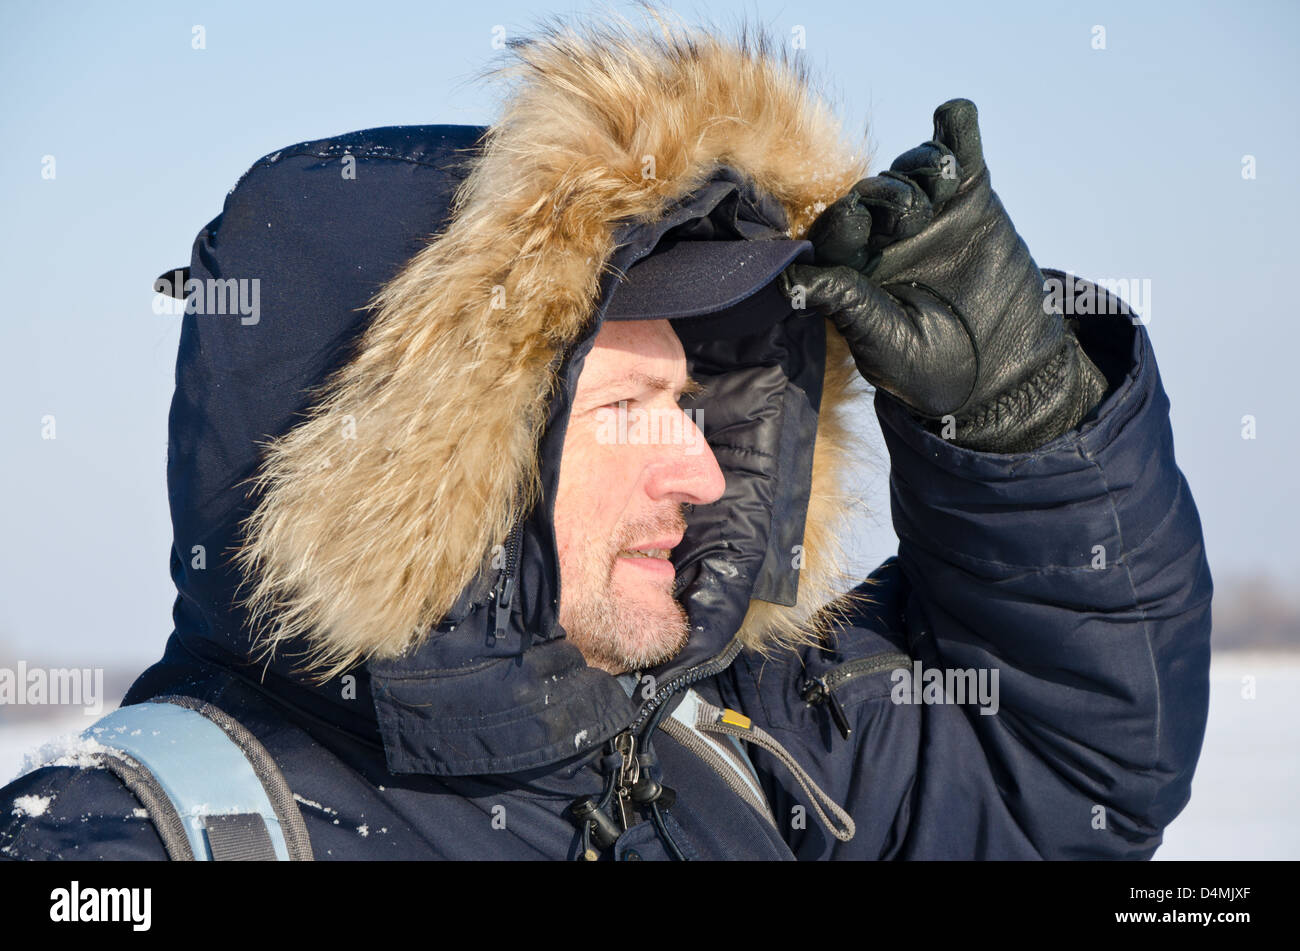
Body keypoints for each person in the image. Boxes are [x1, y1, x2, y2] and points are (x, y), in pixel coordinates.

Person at [0, 15, 1211, 861]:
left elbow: (1062, 776)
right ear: (417, 463)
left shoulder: (739, 743)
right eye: (625, 405)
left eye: (694, 404)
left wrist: (1024, 431)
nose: (697, 469)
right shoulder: (120, 844)